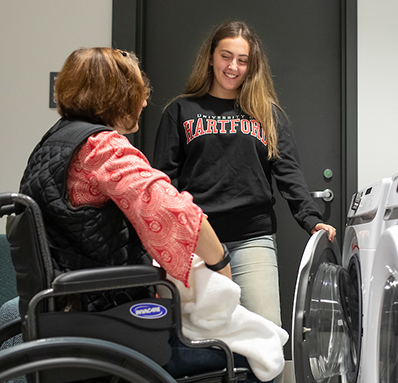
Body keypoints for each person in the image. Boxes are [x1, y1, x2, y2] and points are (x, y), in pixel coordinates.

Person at [14, 47, 281, 382]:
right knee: (253, 353)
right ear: (117, 96)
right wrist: (221, 266)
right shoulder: (102, 147)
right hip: (110, 325)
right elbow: (177, 213)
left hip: (64, 316)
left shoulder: (52, 143)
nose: (143, 101)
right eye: (138, 93)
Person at [152, 20, 337, 331]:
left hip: (253, 238)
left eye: (242, 60)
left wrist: (310, 218)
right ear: (210, 57)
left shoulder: (267, 113)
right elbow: (164, 181)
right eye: (226, 56)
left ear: (253, 66)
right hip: (197, 240)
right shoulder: (180, 111)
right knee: (202, 334)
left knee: (267, 335)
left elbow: (288, 170)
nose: (233, 67)